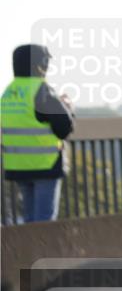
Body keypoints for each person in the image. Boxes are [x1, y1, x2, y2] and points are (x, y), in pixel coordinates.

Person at [1, 44, 74, 223]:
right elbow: (64, 128)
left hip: (18, 165)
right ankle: (39, 252)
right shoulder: (41, 90)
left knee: (29, 221)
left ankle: (28, 252)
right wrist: (68, 108)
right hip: (45, 164)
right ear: (40, 65)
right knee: (44, 224)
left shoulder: (9, 92)